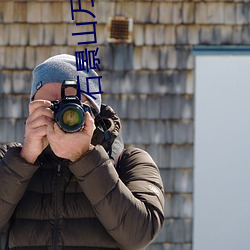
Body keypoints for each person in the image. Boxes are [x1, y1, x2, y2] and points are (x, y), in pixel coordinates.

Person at [0, 54, 164, 250]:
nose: (59, 116)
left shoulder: (130, 162)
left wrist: (85, 158)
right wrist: (24, 160)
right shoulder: (9, 160)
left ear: (93, 112)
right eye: (49, 107)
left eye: (70, 107)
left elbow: (139, 235)